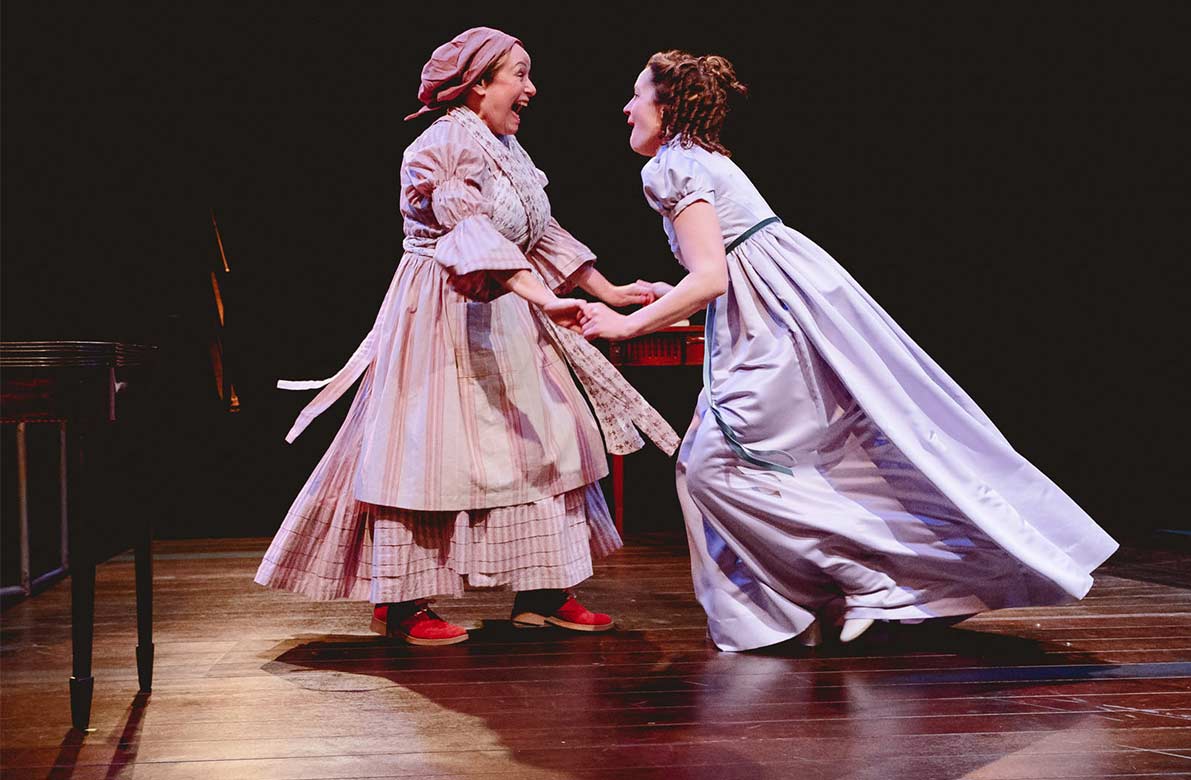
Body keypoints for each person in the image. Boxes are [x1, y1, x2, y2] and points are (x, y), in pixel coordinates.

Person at [580, 50, 1118, 652]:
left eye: (637, 96)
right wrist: (664, 293)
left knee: (715, 469)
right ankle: (812, 602)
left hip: (775, 326)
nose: (627, 109)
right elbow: (723, 262)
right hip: (785, 308)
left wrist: (627, 327)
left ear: (668, 106)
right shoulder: (696, 159)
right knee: (733, 468)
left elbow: (711, 277)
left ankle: (856, 583)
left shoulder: (672, 166)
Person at [255, 28, 678, 646]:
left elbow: (539, 228)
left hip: (508, 304)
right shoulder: (444, 143)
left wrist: (608, 291)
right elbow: (470, 233)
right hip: (444, 309)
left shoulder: (504, 146)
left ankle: (542, 592)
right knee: (432, 449)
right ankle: (400, 603)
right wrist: (543, 297)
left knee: (545, 439)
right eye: (519, 75)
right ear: (479, 82)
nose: (531, 89)